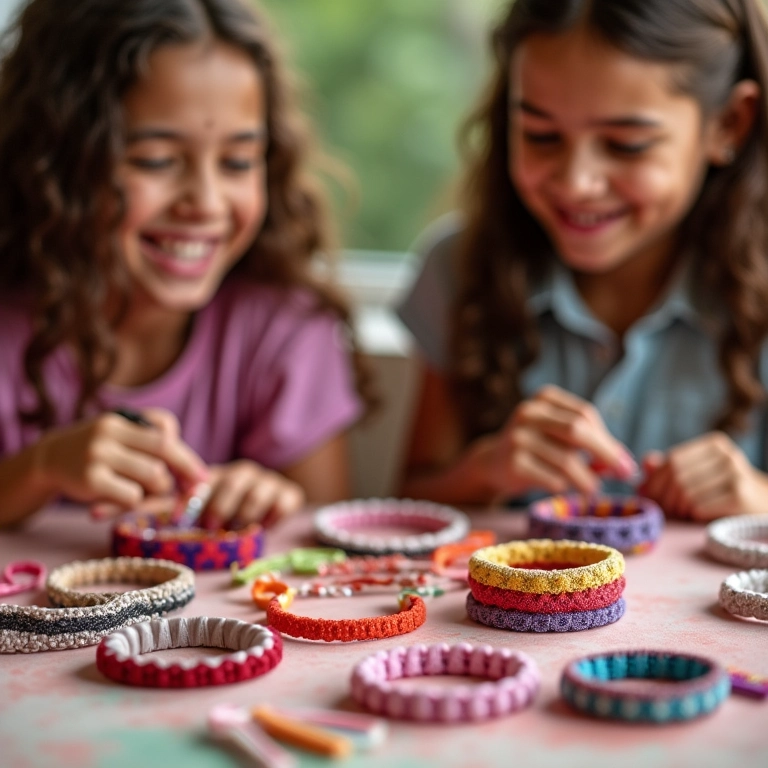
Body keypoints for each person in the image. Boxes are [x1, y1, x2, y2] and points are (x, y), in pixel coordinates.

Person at [0, 0, 375, 529]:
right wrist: (38, 470)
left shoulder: (285, 331)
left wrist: (272, 500)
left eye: (238, 162)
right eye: (156, 160)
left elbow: (328, 547)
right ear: (54, 161)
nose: (206, 202)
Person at [397, 0, 768, 521]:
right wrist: (484, 471)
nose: (577, 182)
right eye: (541, 136)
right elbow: (407, 501)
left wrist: (755, 496)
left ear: (729, 124)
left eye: (626, 145)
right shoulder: (459, 269)